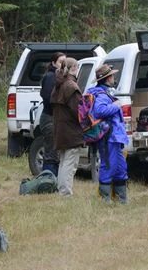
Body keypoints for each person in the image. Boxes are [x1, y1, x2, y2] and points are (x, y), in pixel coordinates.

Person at [89, 63, 129, 203]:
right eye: (112, 75)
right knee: (108, 165)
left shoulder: (106, 92)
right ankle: (105, 200)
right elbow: (100, 111)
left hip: (114, 136)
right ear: (107, 78)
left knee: (120, 167)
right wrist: (115, 105)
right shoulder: (101, 94)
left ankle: (121, 199)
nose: (114, 77)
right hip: (108, 137)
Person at [49, 56, 83, 196]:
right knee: (70, 163)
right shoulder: (71, 86)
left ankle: (62, 191)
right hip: (71, 130)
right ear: (74, 68)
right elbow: (79, 112)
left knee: (64, 161)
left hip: (60, 129)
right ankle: (65, 193)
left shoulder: (58, 84)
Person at [37, 52, 63, 176]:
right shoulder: (50, 77)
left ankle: (52, 178)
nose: (62, 65)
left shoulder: (58, 76)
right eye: (60, 62)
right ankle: (48, 179)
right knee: (51, 152)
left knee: (54, 151)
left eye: (64, 62)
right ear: (54, 63)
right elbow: (48, 98)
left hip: (55, 119)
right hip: (49, 118)